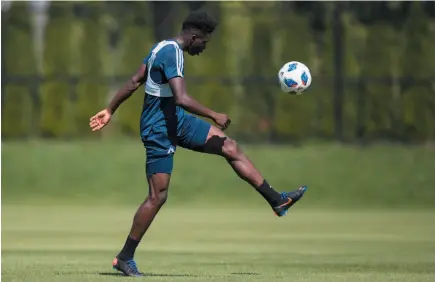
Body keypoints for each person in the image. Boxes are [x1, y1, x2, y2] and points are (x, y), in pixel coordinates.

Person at [89, 10, 307, 277]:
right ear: (194, 37)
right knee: (158, 196)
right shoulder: (173, 54)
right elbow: (181, 97)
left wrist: (110, 109)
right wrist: (214, 114)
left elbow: (135, 81)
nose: (205, 47)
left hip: (175, 119)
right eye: (205, 41)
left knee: (230, 147)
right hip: (158, 127)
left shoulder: (162, 47)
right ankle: (125, 257)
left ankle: (277, 200)